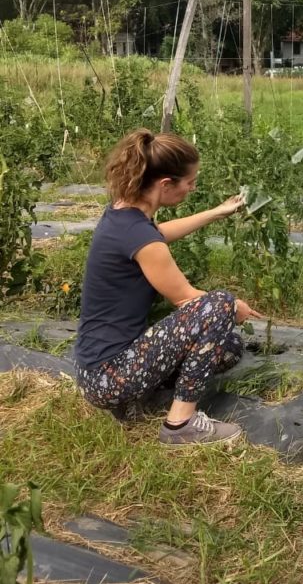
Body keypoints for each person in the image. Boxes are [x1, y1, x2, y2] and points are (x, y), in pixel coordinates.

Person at [74, 129, 262, 447]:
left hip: (100, 371)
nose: (192, 188)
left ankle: (139, 400)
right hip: (108, 376)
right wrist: (233, 308)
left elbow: (156, 233)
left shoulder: (125, 215)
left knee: (228, 348)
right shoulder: (137, 234)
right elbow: (187, 300)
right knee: (218, 305)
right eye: (189, 182)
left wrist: (216, 212)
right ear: (165, 185)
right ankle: (180, 425)